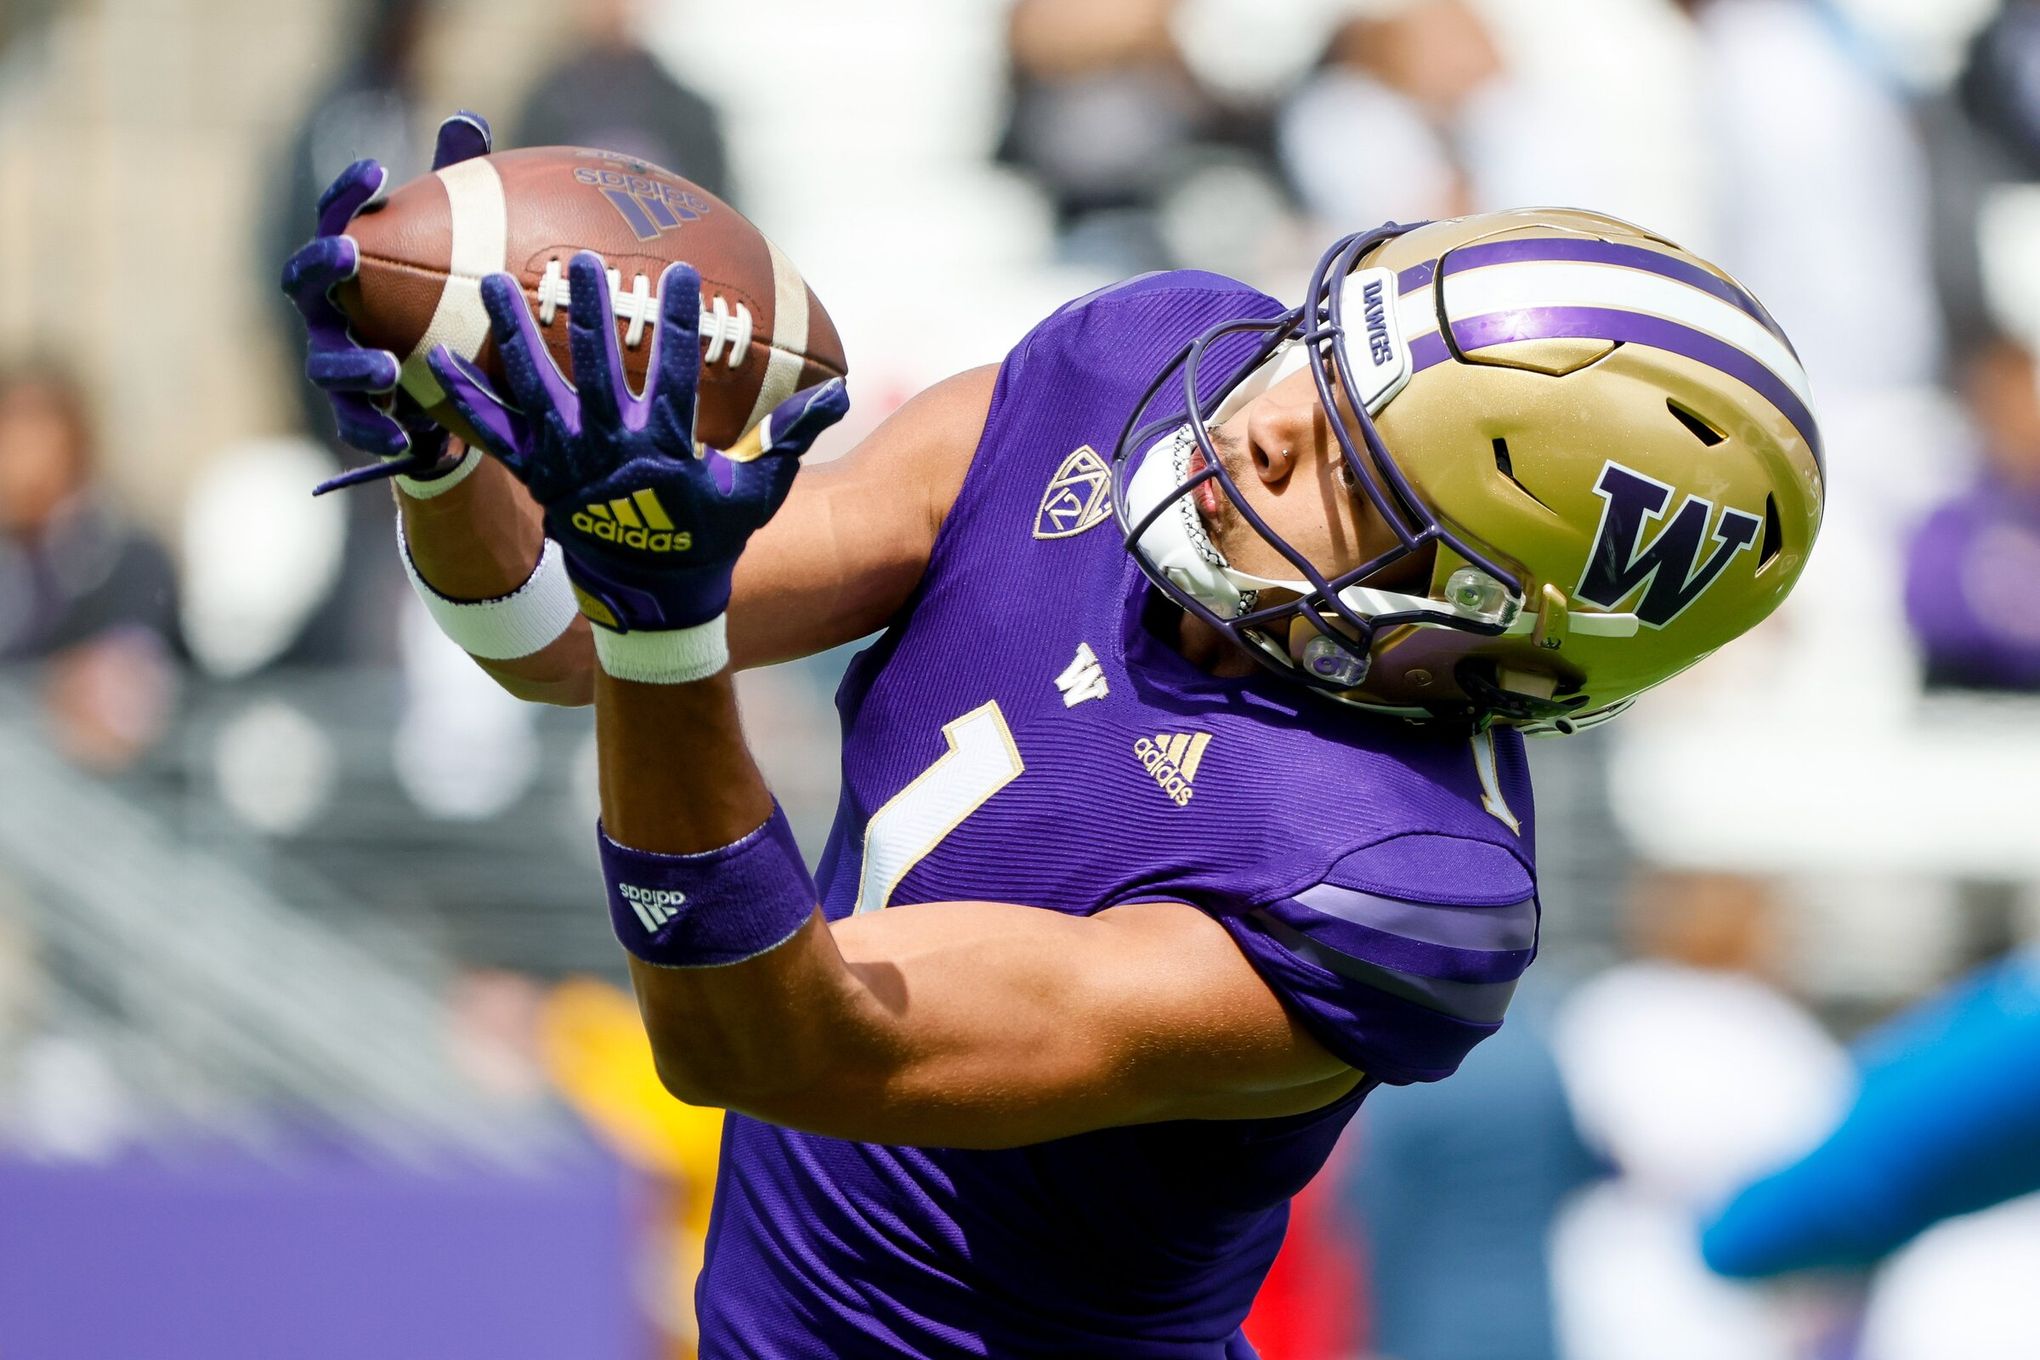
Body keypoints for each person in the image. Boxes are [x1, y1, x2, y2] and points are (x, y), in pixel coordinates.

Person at [281, 111, 1824, 1356]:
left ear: (1486, 621)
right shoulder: (1142, 365)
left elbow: (767, 1038)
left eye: (1353, 474)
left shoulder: (1395, 882)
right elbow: (558, 632)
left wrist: (660, 625)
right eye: (1318, 348)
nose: (1268, 414)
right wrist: (447, 432)